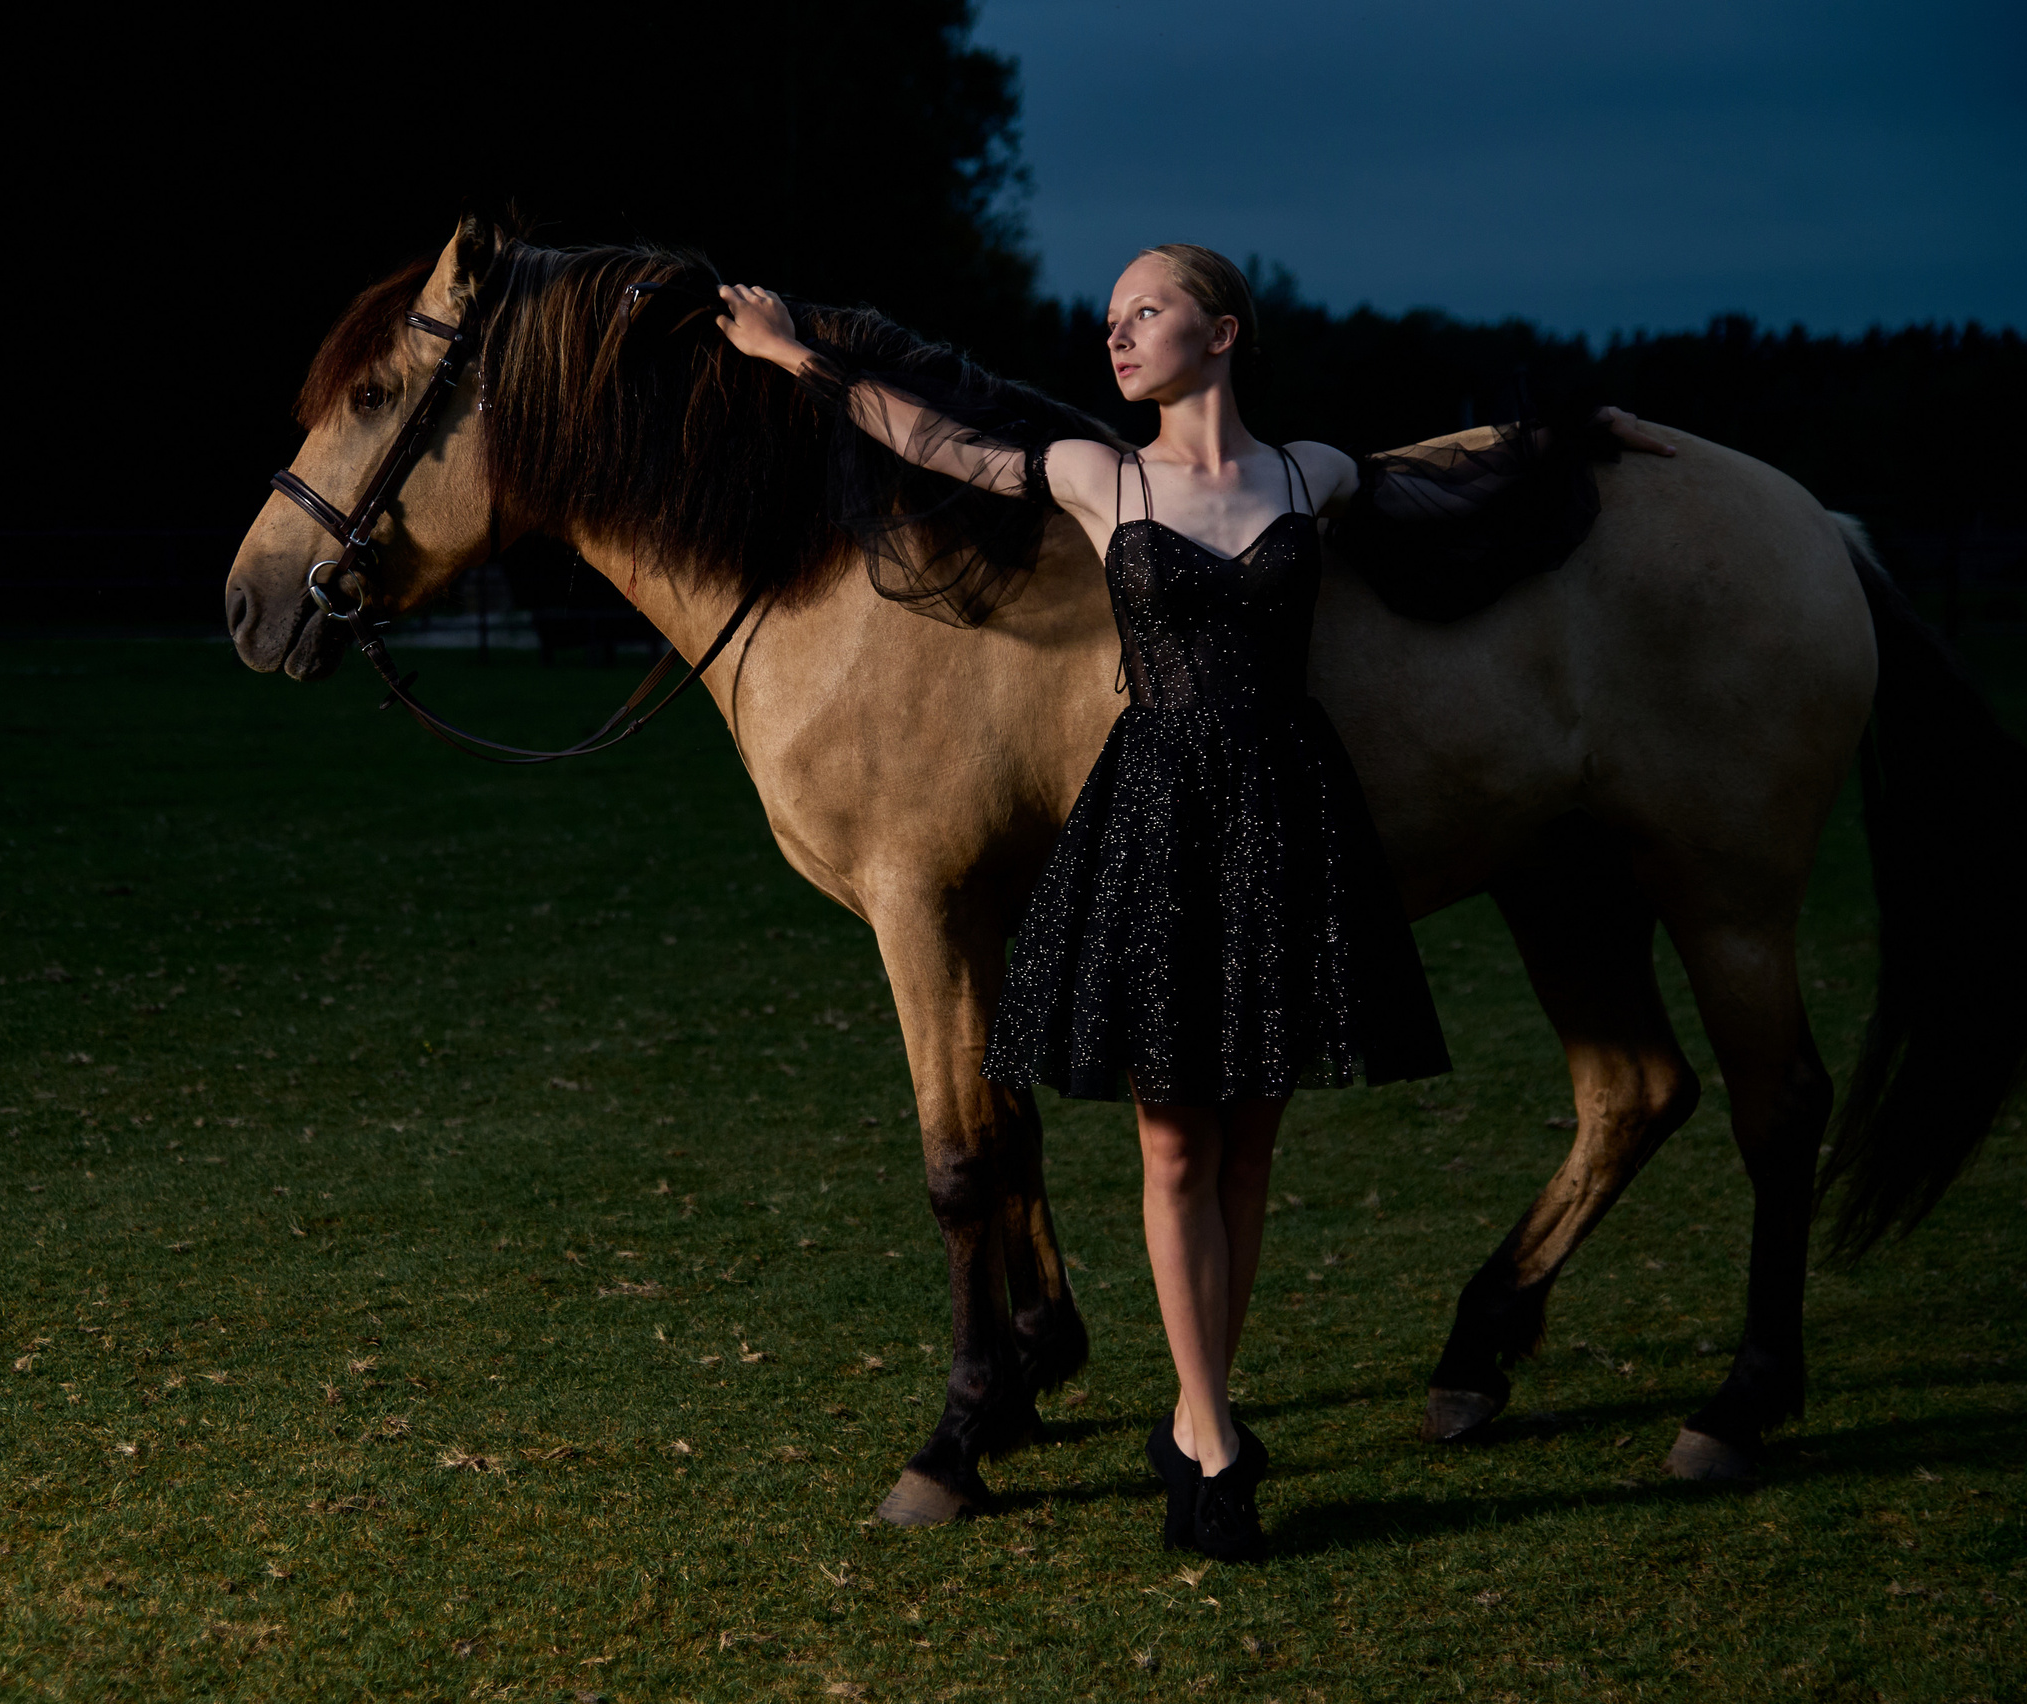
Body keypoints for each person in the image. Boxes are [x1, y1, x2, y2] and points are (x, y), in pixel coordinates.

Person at [718, 246, 1675, 1559]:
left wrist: (1576, 438)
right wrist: (796, 361)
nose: (1115, 335)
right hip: (1160, 815)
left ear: (1221, 334)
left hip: (1287, 813)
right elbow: (933, 437)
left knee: (1249, 1150)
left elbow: (1455, 489)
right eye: (1109, 319)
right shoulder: (1095, 475)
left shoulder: (1312, 475)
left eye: (1145, 312)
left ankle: (1195, 1412)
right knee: (1173, 1145)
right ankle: (1212, 1433)